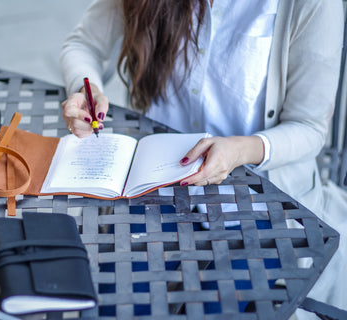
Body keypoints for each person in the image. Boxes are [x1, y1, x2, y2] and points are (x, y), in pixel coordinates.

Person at [60, 0, 346, 318]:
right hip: (155, 187)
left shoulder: (313, 5)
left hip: (257, 205)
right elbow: (84, 44)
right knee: (110, 308)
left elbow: (309, 127)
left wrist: (241, 150)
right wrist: (85, 89)